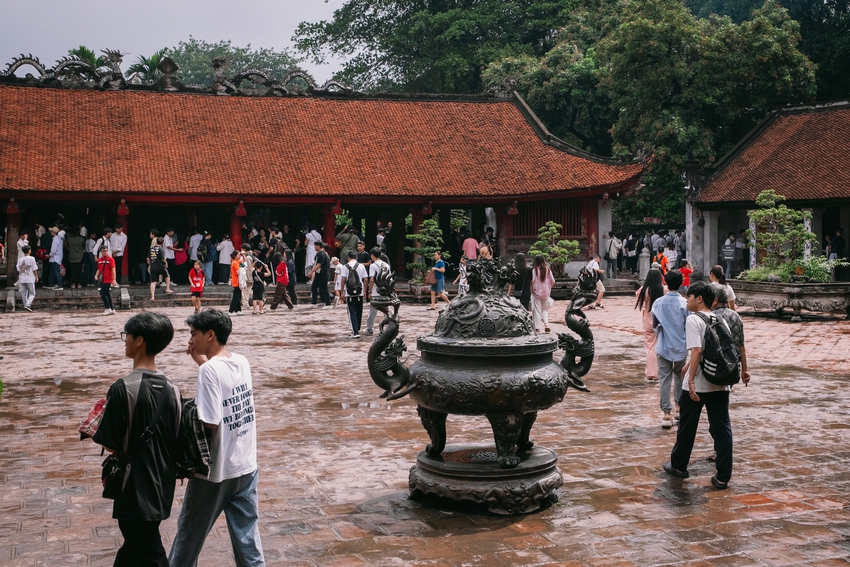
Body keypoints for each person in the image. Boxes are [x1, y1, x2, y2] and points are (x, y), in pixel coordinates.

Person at [170, 310, 265, 566]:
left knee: (189, 537)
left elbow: (210, 421)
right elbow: (225, 388)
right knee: (247, 539)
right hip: (245, 466)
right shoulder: (241, 361)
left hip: (215, 471)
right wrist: (202, 360)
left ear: (210, 335)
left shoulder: (209, 371)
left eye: (194, 334)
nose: (191, 339)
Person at [93, 312, 181, 567]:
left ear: (140, 340)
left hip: (134, 487)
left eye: (127, 336)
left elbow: (110, 442)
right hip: (161, 483)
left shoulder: (122, 388)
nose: (125, 341)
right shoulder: (172, 389)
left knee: (149, 552)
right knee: (134, 547)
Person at [664, 282, 750, 489]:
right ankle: (723, 476)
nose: (686, 300)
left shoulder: (694, 319)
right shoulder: (721, 319)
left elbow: (697, 351)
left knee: (687, 426)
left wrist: (691, 380)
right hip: (720, 382)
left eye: (689, 296)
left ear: (699, 298)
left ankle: (679, 466)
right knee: (722, 429)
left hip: (699, 384)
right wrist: (688, 366)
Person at [651, 269, 689, 428]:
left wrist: (663, 333)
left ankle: (666, 414)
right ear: (681, 284)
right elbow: (689, 325)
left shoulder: (658, 303)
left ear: (665, 282)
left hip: (664, 345)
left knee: (664, 378)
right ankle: (679, 408)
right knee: (680, 376)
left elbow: (655, 326)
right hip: (681, 345)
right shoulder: (684, 303)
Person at [636, 268, 666, 383]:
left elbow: (638, 297)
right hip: (661, 320)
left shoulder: (643, 290)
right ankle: (660, 372)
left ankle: (651, 373)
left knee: (649, 347)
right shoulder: (664, 290)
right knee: (661, 346)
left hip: (648, 320)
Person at [340, 250, 369, 338]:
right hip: (360, 291)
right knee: (359, 311)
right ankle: (357, 329)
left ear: (348, 257)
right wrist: (365, 291)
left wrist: (342, 292)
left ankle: (355, 332)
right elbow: (366, 279)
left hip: (350, 292)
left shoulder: (345, 266)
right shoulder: (361, 266)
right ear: (357, 257)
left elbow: (343, 280)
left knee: (352, 311)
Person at [365, 247, 389, 334]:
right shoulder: (387, 265)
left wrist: (370, 291)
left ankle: (369, 329)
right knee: (386, 310)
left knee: (373, 311)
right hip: (385, 290)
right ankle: (389, 327)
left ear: (372, 256)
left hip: (376, 291)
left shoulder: (373, 265)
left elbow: (372, 279)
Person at [530, 254, 555, 333]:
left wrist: (531, 289)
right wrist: (548, 287)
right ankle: (546, 324)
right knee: (544, 309)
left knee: (537, 310)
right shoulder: (547, 269)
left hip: (537, 293)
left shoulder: (535, 270)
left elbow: (533, 281)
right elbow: (553, 281)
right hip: (546, 293)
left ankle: (537, 328)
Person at [308, 241, 332, 308]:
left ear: (319, 246)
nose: (314, 247)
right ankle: (314, 303)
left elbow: (319, 264)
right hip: (318, 273)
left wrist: (311, 272)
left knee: (324, 288)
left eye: (315, 246)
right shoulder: (318, 254)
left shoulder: (323, 254)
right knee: (314, 287)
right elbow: (315, 263)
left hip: (323, 274)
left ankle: (328, 304)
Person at [95, 246, 116, 315]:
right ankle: (112, 309)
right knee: (107, 294)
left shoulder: (110, 259)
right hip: (102, 279)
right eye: (104, 251)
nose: (105, 252)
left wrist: (114, 279)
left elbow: (113, 270)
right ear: (101, 251)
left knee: (102, 293)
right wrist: (96, 275)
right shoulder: (100, 260)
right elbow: (99, 269)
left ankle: (108, 308)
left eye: (106, 250)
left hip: (108, 279)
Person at [16, 245, 38, 312]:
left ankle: (25, 305)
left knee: (24, 293)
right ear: (29, 251)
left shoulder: (20, 259)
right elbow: (34, 269)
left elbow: (17, 269)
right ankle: (27, 305)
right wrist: (36, 276)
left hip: (22, 278)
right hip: (30, 278)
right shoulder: (32, 259)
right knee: (32, 293)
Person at [47, 225, 65, 290]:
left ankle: (59, 285)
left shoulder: (55, 240)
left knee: (56, 272)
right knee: (52, 271)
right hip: (57, 257)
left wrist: (49, 255)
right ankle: (51, 284)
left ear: (53, 232)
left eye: (51, 231)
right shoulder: (59, 239)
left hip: (55, 258)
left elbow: (53, 251)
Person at [228, 250, 244, 316]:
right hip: (236, 281)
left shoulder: (236, 261)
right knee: (236, 297)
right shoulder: (235, 263)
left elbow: (244, 261)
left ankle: (238, 309)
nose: (239, 256)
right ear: (235, 256)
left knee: (238, 296)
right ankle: (231, 310)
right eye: (238, 255)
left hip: (237, 281)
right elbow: (238, 272)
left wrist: (243, 255)